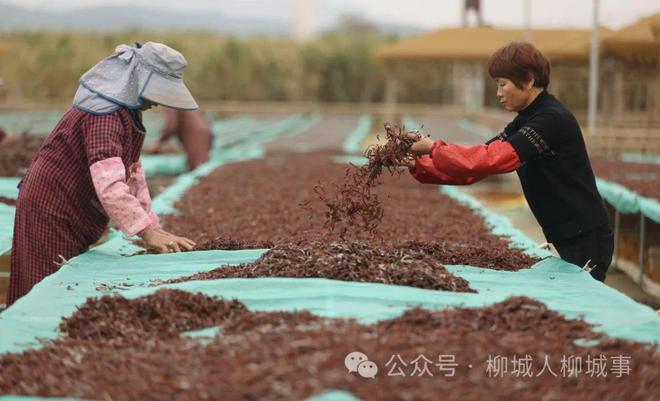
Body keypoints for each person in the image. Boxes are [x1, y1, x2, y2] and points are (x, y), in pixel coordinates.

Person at [405, 42, 613, 282]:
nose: (498, 93)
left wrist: (434, 147)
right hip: (565, 234)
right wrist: (418, 165)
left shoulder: (551, 119)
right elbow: (477, 161)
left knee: (579, 297)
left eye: (502, 84)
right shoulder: (524, 121)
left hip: (586, 237)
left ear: (529, 80)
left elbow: (491, 160)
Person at [8, 42, 197, 305]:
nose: (156, 102)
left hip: (73, 206)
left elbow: (133, 175)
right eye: (156, 92)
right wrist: (144, 231)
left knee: (62, 284)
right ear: (138, 81)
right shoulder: (104, 114)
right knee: (43, 288)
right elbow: (109, 183)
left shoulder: (127, 112)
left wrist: (152, 225)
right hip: (51, 207)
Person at [146, 108, 213, 170]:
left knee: (197, 165)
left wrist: (159, 142)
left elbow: (171, 126)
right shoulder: (182, 101)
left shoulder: (171, 103)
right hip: (204, 131)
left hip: (196, 134)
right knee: (201, 164)